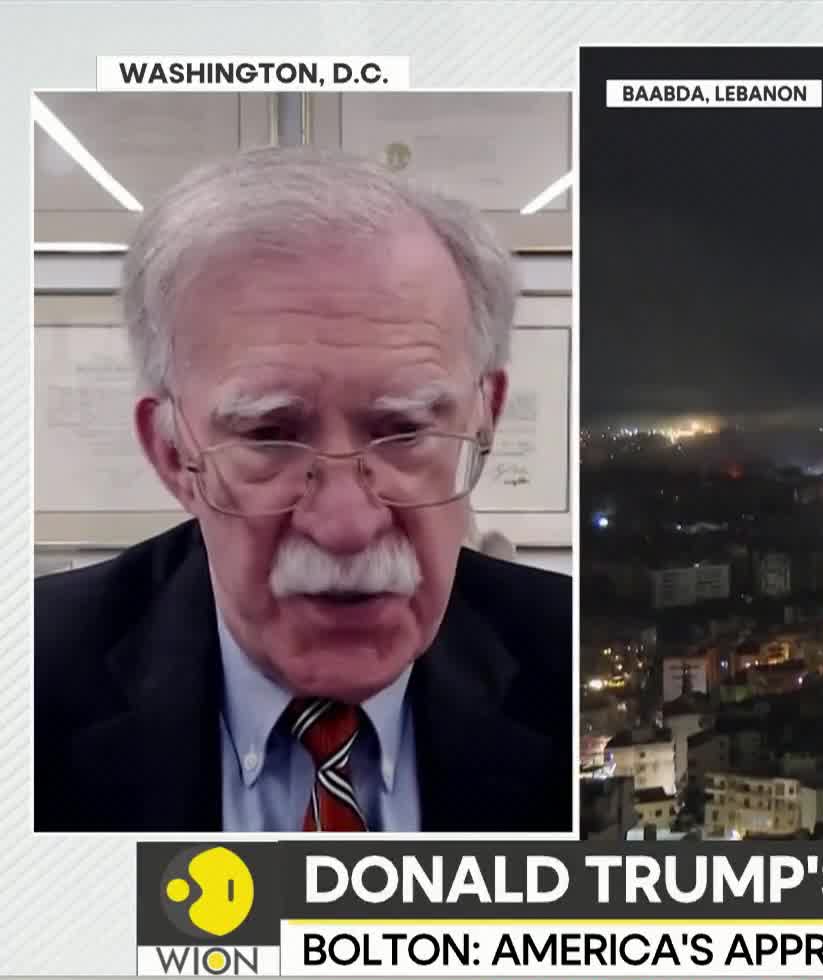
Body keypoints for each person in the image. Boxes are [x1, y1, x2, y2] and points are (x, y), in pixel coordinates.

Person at [35, 148, 572, 833]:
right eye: (268, 436)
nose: (346, 525)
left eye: (404, 430)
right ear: (174, 454)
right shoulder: (31, 675)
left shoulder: (566, 658)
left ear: (484, 417)